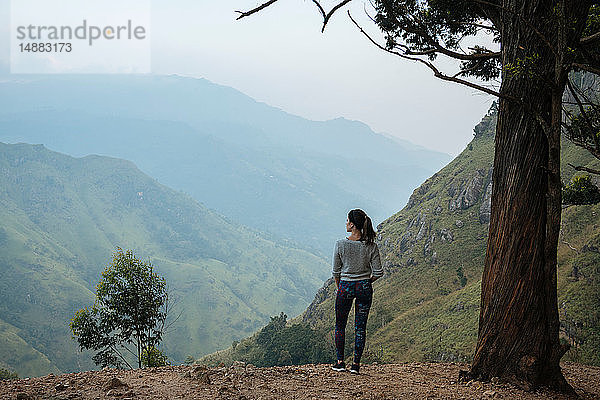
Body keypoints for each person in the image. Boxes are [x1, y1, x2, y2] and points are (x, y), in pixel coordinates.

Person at [331, 209, 383, 374]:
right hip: (364, 288)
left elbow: (336, 272)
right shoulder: (371, 246)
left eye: (347, 221)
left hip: (345, 286)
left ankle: (340, 362)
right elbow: (378, 272)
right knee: (360, 327)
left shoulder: (340, 244)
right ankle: (355, 365)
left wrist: (341, 287)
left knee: (340, 325)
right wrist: (365, 281)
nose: (346, 223)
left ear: (352, 225)